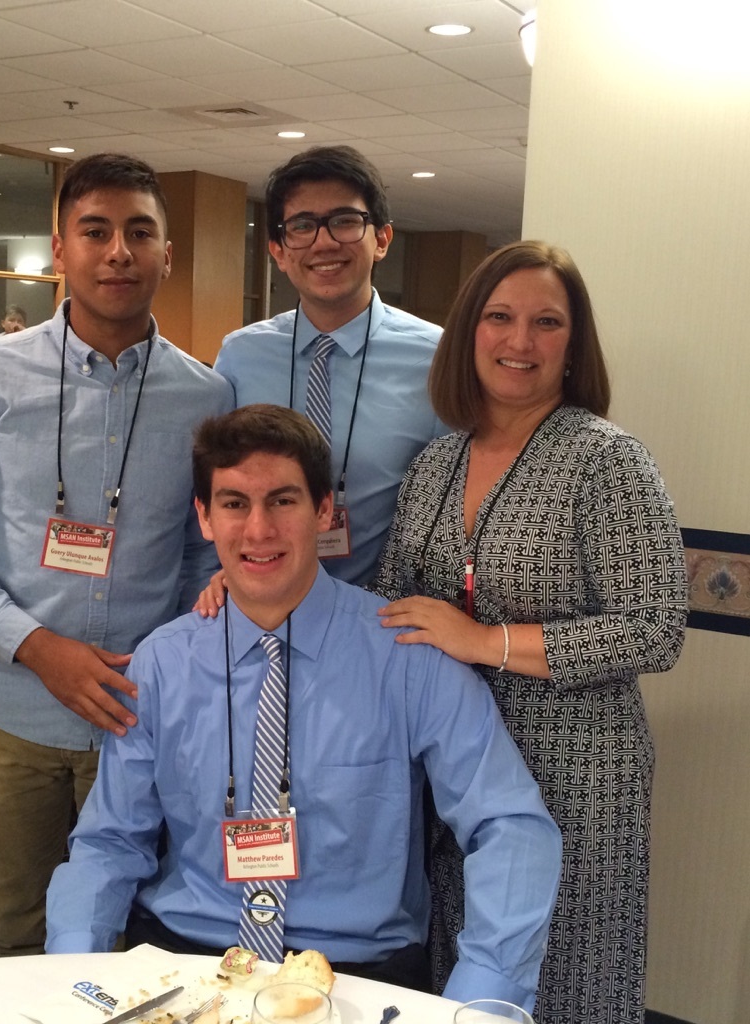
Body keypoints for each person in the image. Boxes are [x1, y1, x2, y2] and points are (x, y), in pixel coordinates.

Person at [46, 405, 562, 1013]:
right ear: (205, 519)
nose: (258, 529)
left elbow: (510, 827)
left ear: (323, 511)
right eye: (234, 503)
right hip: (186, 965)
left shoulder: (407, 657)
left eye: (283, 501)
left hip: (357, 975)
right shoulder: (162, 663)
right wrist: (74, 978)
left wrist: (480, 1000)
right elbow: (109, 842)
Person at [0, 152, 233, 959]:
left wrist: (172, 654)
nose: (117, 250)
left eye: (138, 232)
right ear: (61, 248)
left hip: (138, 717)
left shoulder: (206, 398)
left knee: (128, 935)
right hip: (10, 712)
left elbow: (199, 555)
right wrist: (41, 649)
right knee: (13, 926)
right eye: (95, 230)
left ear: (165, 255)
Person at [372, 241, 689, 1024]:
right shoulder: (436, 463)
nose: (519, 341)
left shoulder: (605, 461)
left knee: (563, 978)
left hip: (575, 774)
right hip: (454, 769)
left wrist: (484, 641)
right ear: (467, 332)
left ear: (573, 345)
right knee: (465, 970)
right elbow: (392, 602)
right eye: (500, 318)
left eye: (546, 323)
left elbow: (655, 629)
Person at [214, 146, 446, 586]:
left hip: (382, 621)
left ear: (381, 239)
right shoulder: (241, 356)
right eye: (302, 226)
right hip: (257, 605)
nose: (323, 242)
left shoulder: (436, 359)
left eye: (344, 221)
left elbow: (450, 509)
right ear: (279, 252)